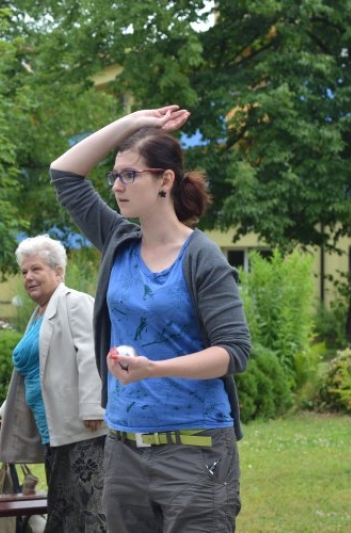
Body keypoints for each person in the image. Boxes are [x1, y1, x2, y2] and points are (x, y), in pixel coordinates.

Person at [49, 106, 251, 532]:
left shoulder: (202, 258)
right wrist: (132, 124)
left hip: (194, 451)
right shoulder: (119, 241)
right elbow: (65, 174)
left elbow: (234, 352)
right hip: (124, 449)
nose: (118, 186)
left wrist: (154, 369)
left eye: (130, 175)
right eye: (115, 176)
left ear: (165, 180)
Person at [0, 234, 107, 532]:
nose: (28, 277)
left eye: (36, 269)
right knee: (66, 511)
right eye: (24, 272)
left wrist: (93, 407)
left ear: (58, 272)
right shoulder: (38, 315)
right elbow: (32, 371)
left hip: (83, 430)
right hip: (54, 433)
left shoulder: (75, 303)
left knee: (88, 513)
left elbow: (91, 354)